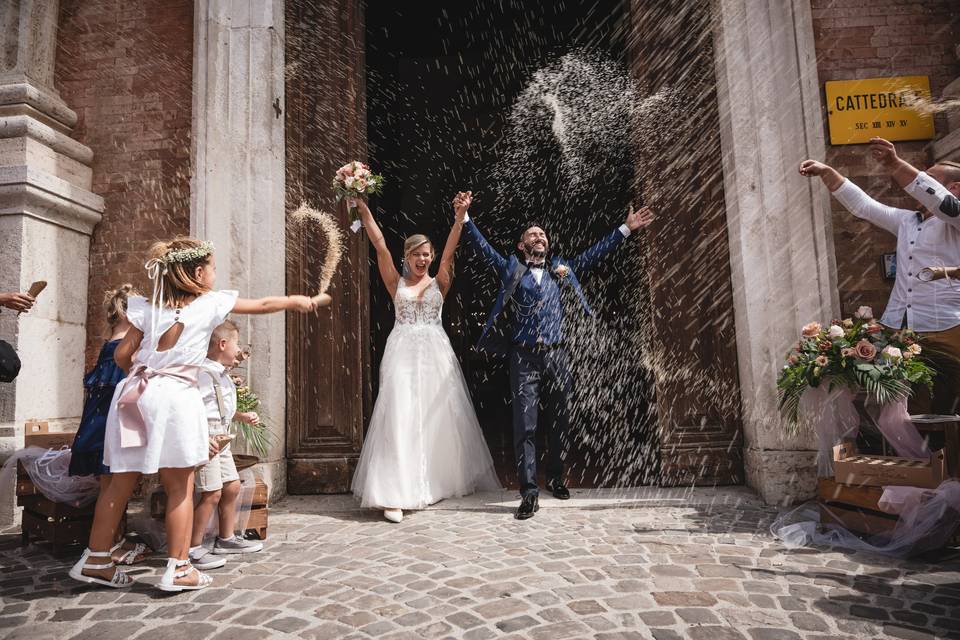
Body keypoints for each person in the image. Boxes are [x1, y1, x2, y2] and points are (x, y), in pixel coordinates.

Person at [69, 237, 329, 592]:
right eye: (213, 268)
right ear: (197, 272)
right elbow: (264, 303)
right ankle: (179, 569)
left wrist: (149, 367)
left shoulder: (148, 308)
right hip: (175, 398)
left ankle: (96, 558)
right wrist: (300, 301)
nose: (215, 274)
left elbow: (121, 357)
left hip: (134, 395)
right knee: (180, 486)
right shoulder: (208, 305)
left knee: (119, 483)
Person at [459, 191, 655, 519]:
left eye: (543, 234)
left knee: (560, 420)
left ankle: (555, 476)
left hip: (558, 355)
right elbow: (484, 251)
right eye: (532, 234)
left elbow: (594, 255)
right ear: (522, 246)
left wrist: (626, 228)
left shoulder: (563, 269)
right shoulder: (511, 268)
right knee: (525, 424)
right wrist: (465, 219)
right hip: (523, 358)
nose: (540, 237)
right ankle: (529, 492)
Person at [350, 197, 501, 523]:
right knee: (400, 414)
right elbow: (379, 245)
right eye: (417, 254)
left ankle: (430, 483)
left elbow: (450, 249)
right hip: (402, 354)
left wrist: (460, 218)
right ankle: (393, 493)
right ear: (407, 257)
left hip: (435, 354)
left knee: (434, 419)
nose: (423, 258)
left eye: (426, 254)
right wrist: (363, 210)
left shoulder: (440, 281)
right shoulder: (396, 282)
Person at [800, 142, 960, 414]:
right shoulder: (907, 220)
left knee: (952, 398)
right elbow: (864, 206)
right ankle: (925, 454)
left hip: (949, 327)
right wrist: (828, 172)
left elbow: (941, 202)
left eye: (929, 178)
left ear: (954, 188)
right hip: (902, 328)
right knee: (907, 402)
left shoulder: (955, 217)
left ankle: (947, 453)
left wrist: (894, 164)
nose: (916, 182)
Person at [68, 284, 150, 565]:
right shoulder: (129, 340)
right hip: (114, 423)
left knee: (109, 485)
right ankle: (111, 544)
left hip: (98, 422)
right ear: (129, 313)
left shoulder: (110, 340)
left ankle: (112, 541)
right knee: (117, 484)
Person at [188, 319, 263, 571]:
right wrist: (202, 437)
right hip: (208, 438)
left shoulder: (222, 374)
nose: (239, 349)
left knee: (231, 487)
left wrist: (242, 416)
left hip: (223, 437)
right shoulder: (204, 374)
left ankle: (226, 538)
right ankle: (193, 548)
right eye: (236, 344)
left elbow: (223, 409)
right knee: (212, 492)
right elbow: (196, 410)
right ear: (222, 344)